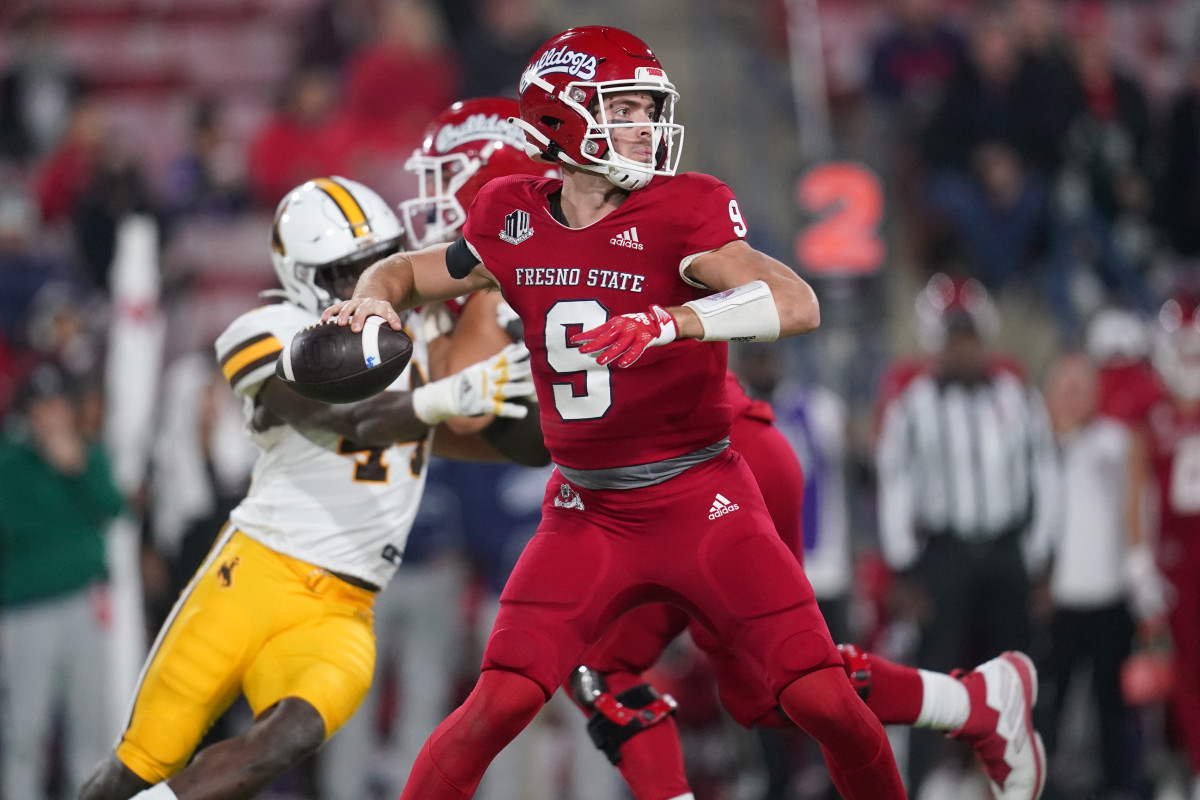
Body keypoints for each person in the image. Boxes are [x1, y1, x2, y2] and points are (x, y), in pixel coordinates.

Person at [329, 25, 908, 799]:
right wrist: (371, 304)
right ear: (565, 121)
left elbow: (797, 302)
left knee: (818, 698)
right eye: (626, 107)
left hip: (703, 496)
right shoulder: (512, 215)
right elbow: (405, 272)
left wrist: (675, 321)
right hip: (587, 511)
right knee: (496, 701)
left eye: (648, 106)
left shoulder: (684, 208)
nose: (648, 125)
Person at [77, 176, 537, 800]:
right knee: (139, 762)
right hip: (254, 573)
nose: (376, 283)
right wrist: (447, 395)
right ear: (307, 278)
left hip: (347, 604)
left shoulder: (424, 343)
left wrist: (538, 402)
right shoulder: (268, 328)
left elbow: (509, 442)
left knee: (283, 743)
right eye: (355, 271)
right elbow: (337, 416)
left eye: (385, 260)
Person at [876, 273, 1060, 795]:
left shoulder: (1016, 395)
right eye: (954, 340)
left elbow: (1043, 474)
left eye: (970, 339)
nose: (963, 351)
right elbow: (895, 482)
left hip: (1006, 551)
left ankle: (1021, 782)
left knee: (1019, 672)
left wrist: (1041, 559)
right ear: (936, 343)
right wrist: (905, 567)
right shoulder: (914, 403)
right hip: (945, 554)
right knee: (934, 674)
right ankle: (918, 783)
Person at [0, 361, 124, 800]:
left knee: (89, 731)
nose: (49, 415)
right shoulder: (10, 461)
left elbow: (114, 507)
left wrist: (77, 469)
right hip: (25, 610)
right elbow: (14, 529)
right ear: (28, 412)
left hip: (83, 605)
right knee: (23, 733)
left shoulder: (89, 454)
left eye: (56, 405)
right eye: (41, 406)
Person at [1128, 292, 1200, 800]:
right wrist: (1140, 566)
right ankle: (1189, 766)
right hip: (1178, 570)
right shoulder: (1152, 420)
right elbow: (1138, 495)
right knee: (1182, 676)